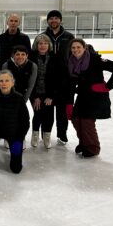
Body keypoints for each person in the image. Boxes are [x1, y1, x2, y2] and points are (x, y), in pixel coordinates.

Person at [66, 38, 113, 158]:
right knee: (76, 119)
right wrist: (69, 103)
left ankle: (93, 148)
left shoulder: (95, 59)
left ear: (84, 48)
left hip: (96, 96)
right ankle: (84, 143)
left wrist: (107, 86)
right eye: (73, 48)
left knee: (87, 121)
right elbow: (71, 84)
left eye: (78, 47)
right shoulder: (71, 62)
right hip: (83, 96)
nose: (76, 50)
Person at [42, 10, 75, 145]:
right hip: (47, 77)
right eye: (51, 18)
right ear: (48, 21)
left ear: (60, 20)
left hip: (64, 78)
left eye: (56, 18)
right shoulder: (43, 36)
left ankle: (62, 134)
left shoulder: (68, 36)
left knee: (61, 110)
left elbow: (74, 53)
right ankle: (46, 134)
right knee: (47, 110)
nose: (53, 20)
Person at [29, 34, 58, 149]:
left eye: (45, 43)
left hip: (49, 93)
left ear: (49, 45)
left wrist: (51, 96)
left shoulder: (54, 57)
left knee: (49, 115)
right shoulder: (31, 57)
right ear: (36, 45)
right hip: (35, 92)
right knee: (38, 113)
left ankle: (47, 136)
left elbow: (58, 78)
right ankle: (35, 134)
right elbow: (29, 78)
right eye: (40, 43)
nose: (43, 46)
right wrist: (34, 96)